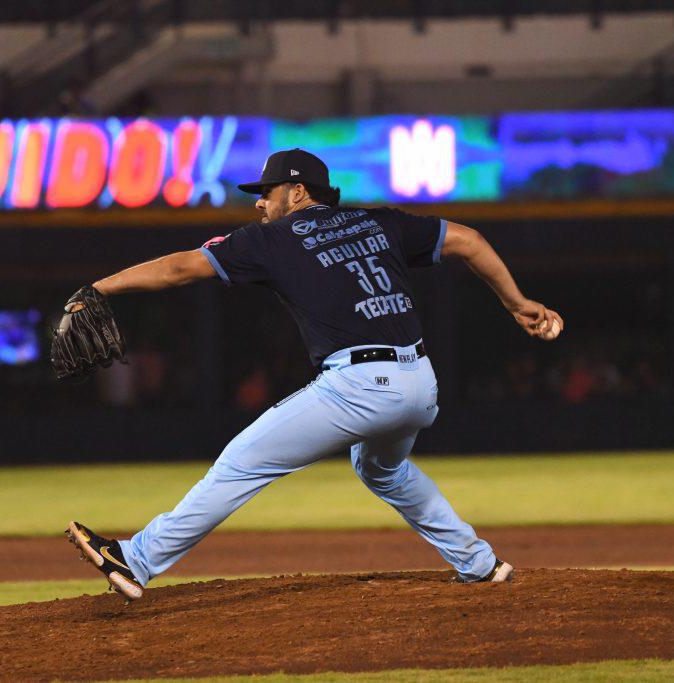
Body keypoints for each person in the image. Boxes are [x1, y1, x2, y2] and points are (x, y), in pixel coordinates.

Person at [67, 149, 564, 602]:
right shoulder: (378, 222)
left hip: (360, 385)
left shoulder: (271, 239)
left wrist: (101, 287)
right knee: (381, 469)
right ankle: (478, 564)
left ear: (298, 192)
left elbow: (178, 268)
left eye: (267, 192)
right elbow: (469, 240)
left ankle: (136, 559)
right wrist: (518, 303)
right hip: (420, 381)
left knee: (242, 460)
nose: (260, 204)